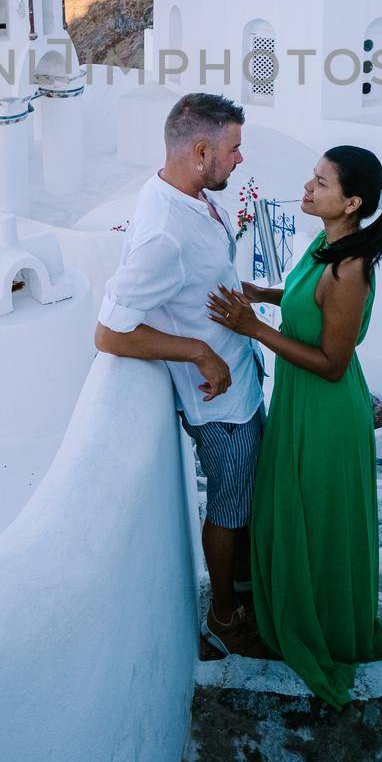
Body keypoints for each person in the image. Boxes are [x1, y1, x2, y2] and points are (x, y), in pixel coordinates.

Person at [207, 144, 382, 705]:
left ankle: (324, 628)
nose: (308, 188)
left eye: (321, 182)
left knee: (317, 521)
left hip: (326, 411)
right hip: (300, 400)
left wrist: (252, 327)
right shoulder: (326, 241)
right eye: (312, 177)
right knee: (294, 510)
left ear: (352, 202)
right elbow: (299, 301)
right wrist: (257, 294)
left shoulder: (350, 269)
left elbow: (332, 362)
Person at [94, 93, 266, 657]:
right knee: (227, 508)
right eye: (233, 149)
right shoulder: (163, 232)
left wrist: (263, 296)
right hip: (222, 411)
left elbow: (208, 277)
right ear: (199, 151)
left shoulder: (186, 194)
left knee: (242, 504)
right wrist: (197, 351)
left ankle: (244, 582)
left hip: (241, 384)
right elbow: (110, 332)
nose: (240, 160)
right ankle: (224, 614)